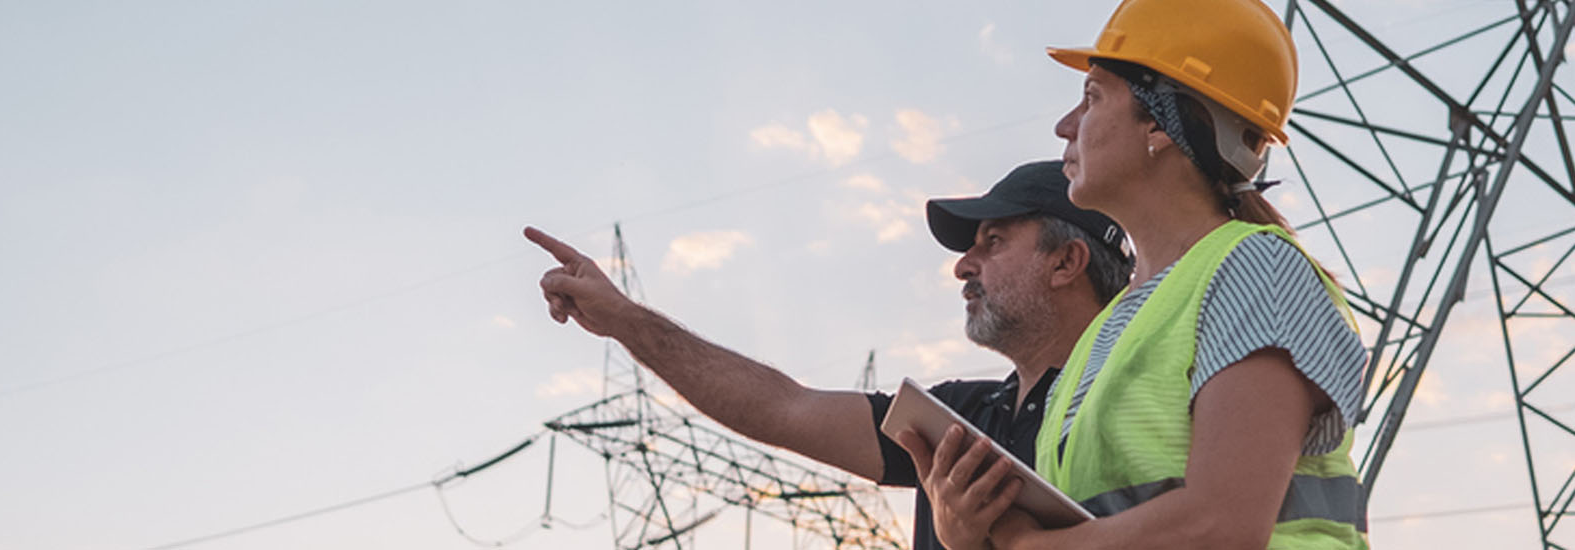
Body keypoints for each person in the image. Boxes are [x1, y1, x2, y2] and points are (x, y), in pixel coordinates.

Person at [909, 0, 1372, 548]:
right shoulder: (1110, 334)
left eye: (1091, 97)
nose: (1065, 126)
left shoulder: (1256, 268)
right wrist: (970, 535)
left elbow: (1220, 525)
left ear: (1159, 123)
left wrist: (1024, 545)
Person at [525, 160, 1132, 549]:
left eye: (993, 242)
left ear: (1066, 262)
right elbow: (782, 408)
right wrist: (627, 321)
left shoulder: (1140, 403)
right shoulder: (954, 419)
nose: (962, 266)